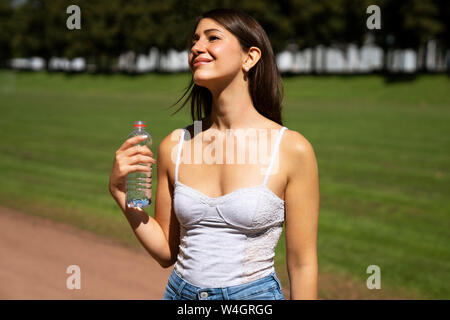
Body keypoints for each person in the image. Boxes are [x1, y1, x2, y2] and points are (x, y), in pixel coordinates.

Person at [109, 8, 320, 300]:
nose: (196, 47)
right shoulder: (175, 146)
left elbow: (302, 264)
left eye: (212, 38)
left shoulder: (292, 149)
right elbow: (166, 253)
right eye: (194, 40)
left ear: (250, 57)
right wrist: (120, 192)